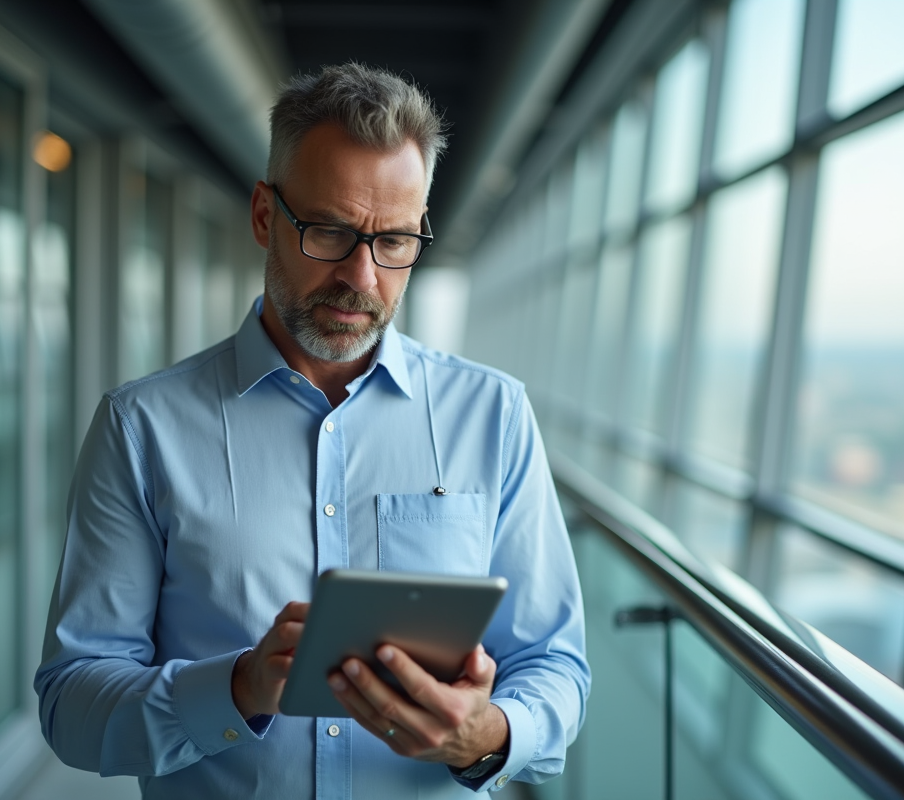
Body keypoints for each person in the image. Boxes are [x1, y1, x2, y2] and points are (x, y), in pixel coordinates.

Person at [35, 62, 589, 798]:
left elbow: (555, 665)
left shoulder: (495, 416)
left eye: (395, 241)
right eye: (330, 231)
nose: (362, 276)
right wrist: (237, 689)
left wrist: (486, 734)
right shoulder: (142, 429)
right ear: (265, 215)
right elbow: (72, 703)